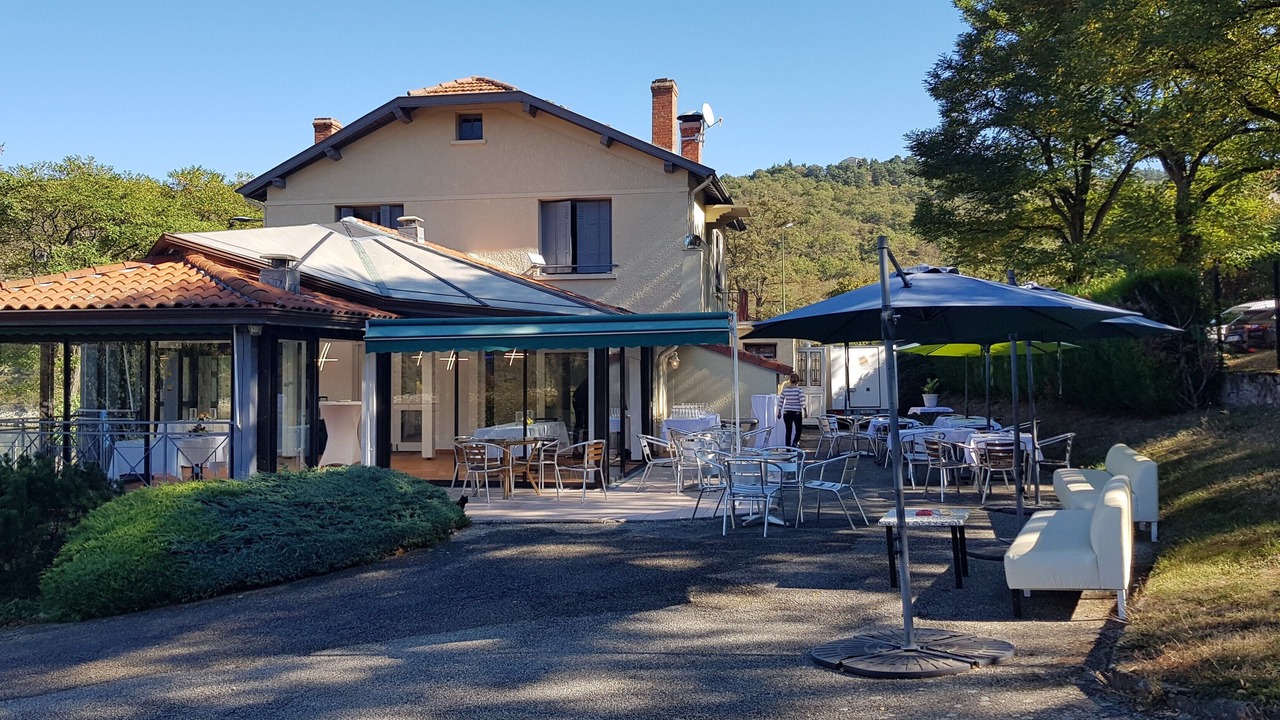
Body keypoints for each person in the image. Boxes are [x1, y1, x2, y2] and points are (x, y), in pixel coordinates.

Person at [777, 372, 806, 447]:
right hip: (796, 412)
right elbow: (802, 400)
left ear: (790, 380)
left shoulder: (785, 390)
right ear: (797, 381)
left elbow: (781, 401)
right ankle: (795, 442)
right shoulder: (799, 390)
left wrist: (779, 411)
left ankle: (787, 447)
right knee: (798, 429)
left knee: (788, 430)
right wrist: (805, 411)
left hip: (787, 412)